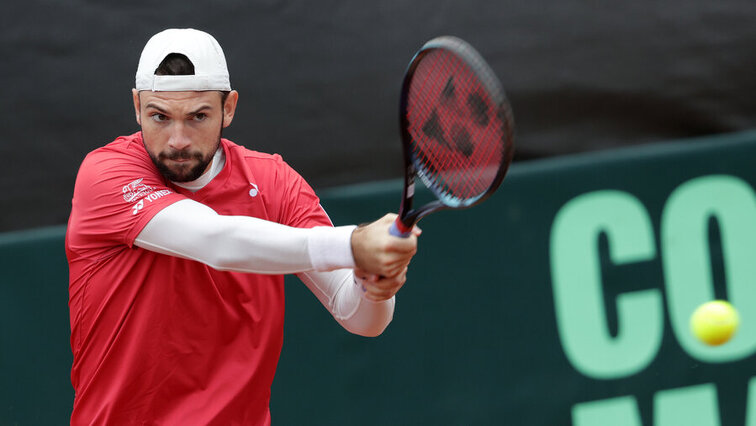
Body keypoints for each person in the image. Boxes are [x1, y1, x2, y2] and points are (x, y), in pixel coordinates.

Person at [65, 28, 420, 425]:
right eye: (159, 116)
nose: (177, 139)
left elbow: (359, 318)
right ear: (136, 106)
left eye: (198, 116)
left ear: (229, 108)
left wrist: (375, 284)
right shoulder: (106, 176)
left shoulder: (275, 183)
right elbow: (216, 240)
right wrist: (353, 245)